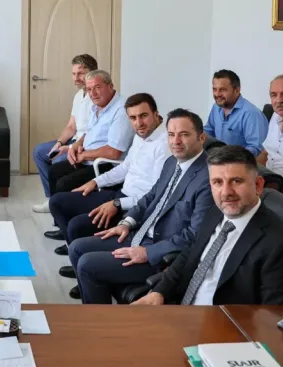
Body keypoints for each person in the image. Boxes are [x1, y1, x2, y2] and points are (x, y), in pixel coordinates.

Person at [69, 108, 215, 304]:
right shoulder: (172, 162)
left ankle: (100, 326)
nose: (176, 141)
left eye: (184, 135)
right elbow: (151, 196)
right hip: (140, 234)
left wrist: (148, 253)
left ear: (202, 137)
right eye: (171, 135)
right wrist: (126, 222)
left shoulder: (208, 179)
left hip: (161, 254)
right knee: (77, 248)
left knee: (88, 265)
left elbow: (194, 235)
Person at [134, 146, 283, 305]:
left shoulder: (280, 243)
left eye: (236, 181)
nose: (226, 192)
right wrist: (159, 292)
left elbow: (269, 315)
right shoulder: (215, 211)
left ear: (258, 185)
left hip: (223, 325)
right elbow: (189, 254)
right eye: (217, 182)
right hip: (181, 310)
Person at [48, 94, 171, 284]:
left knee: (77, 225)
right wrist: (96, 182)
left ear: (156, 114)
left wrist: (116, 203)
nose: (139, 123)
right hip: (120, 194)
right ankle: (79, 264)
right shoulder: (141, 136)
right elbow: (124, 167)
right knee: (57, 202)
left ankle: (84, 271)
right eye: (133, 118)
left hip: (133, 207)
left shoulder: (165, 145)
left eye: (143, 116)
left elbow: (154, 195)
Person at [39, 70, 134, 210]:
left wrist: (83, 155)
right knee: (55, 171)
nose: (93, 93)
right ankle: (59, 221)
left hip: (105, 164)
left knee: (64, 184)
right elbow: (89, 133)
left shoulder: (121, 110)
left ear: (110, 86)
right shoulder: (97, 106)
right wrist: (77, 144)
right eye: (89, 89)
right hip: (89, 158)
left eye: (97, 87)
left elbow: (114, 152)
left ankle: (71, 224)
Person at [32, 54, 98, 213]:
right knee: (41, 152)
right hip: (73, 141)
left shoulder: (96, 97)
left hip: (86, 145)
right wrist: (60, 143)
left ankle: (61, 203)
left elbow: (94, 132)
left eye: (81, 73)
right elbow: (71, 126)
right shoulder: (78, 96)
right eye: (74, 74)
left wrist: (69, 149)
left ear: (92, 72)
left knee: (59, 161)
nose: (76, 78)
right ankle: (51, 199)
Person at [204, 69, 268, 156]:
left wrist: (231, 158)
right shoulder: (216, 107)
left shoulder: (251, 113)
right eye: (215, 89)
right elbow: (208, 131)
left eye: (222, 90)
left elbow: (256, 148)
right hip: (218, 161)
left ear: (237, 90)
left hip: (241, 164)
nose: (217, 94)